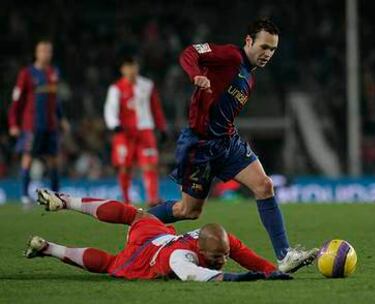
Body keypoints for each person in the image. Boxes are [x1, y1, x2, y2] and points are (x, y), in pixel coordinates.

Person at [147, 19, 318, 272]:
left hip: (227, 142)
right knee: (188, 210)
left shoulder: (250, 78)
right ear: (248, 41)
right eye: (264, 47)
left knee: (264, 185)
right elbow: (190, 52)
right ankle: (142, 220)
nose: (267, 54)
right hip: (200, 144)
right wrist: (195, 73)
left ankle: (285, 256)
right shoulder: (229, 56)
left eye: (272, 50)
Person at [25, 189, 293, 282]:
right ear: (201, 247)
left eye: (224, 255)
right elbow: (201, 275)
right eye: (216, 256)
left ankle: (63, 204)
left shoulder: (217, 239)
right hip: (146, 254)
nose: (222, 260)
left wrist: (271, 272)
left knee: (139, 216)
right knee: (110, 264)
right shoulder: (182, 258)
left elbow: (245, 255)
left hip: (158, 235)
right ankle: (50, 246)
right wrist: (245, 278)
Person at [8, 39, 69, 206]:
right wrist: (13, 123)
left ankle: (57, 196)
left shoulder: (54, 72)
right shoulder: (27, 74)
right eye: (43, 51)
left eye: (48, 51)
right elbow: (17, 100)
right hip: (32, 125)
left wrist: (61, 118)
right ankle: (24, 196)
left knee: (55, 159)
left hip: (51, 125)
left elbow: (55, 100)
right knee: (27, 157)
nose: (46, 54)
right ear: (36, 53)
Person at [104, 56, 168, 206]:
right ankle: (126, 201)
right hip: (124, 133)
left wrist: (162, 127)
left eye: (133, 66)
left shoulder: (147, 85)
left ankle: (153, 198)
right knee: (125, 168)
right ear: (122, 69)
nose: (131, 70)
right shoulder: (116, 88)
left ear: (137, 67)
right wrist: (114, 124)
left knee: (150, 165)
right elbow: (110, 108)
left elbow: (155, 108)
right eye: (128, 67)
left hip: (145, 131)